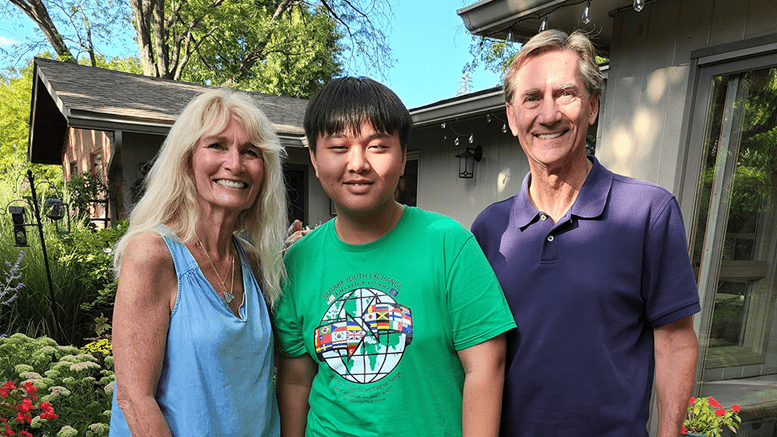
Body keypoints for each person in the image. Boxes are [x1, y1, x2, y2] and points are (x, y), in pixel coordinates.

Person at [471, 30, 701, 437]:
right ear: (511, 116)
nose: (549, 114)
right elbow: (475, 358)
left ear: (592, 106)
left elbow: (675, 343)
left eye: (565, 94)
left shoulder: (648, 213)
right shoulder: (490, 229)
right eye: (531, 98)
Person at [273, 77, 516, 437]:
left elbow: (486, 368)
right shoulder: (297, 262)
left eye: (377, 146)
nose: (357, 163)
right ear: (313, 157)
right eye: (338, 147)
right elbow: (295, 381)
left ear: (403, 157)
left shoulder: (449, 244)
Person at [109, 88, 286, 436]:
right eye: (217, 145)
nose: (235, 163)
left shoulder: (250, 260)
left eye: (250, 152)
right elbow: (134, 398)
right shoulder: (153, 253)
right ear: (187, 160)